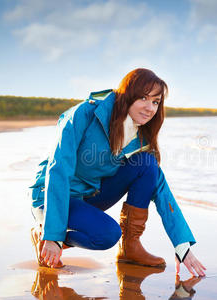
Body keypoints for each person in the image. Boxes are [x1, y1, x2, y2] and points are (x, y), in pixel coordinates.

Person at [29, 68, 206, 277]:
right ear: (127, 95)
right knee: (107, 235)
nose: (150, 108)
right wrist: (54, 235)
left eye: (156, 102)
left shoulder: (140, 139)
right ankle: (45, 233)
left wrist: (181, 245)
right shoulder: (84, 114)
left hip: (88, 196)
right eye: (143, 98)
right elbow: (58, 170)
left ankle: (130, 248)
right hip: (51, 197)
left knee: (147, 164)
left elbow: (160, 188)